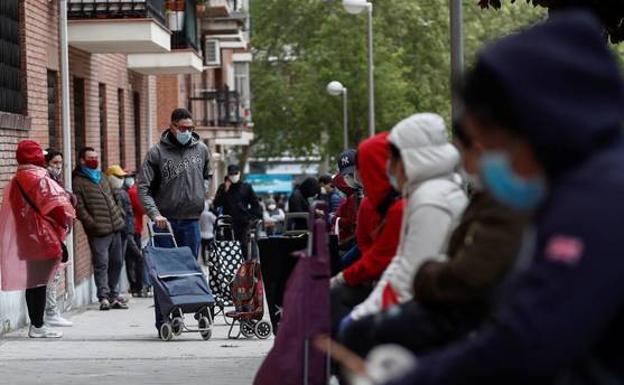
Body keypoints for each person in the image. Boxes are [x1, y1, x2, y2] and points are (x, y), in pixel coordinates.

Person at [371, 10, 624, 385]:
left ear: (535, 126)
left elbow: (531, 340)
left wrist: (418, 378)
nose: (488, 158)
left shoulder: (596, 199)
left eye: (492, 142)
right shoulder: (584, 186)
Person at [341, 120, 528, 359]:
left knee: (357, 332)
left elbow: (414, 272)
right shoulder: (435, 195)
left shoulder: (431, 199)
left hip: (453, 310)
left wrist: (363, 315)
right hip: (450, 304)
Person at [340, 113, 468, 333]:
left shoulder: (430, 200)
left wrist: (362, 318)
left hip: (437, 310)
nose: (389, 168)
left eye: (393, 160)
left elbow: (408, 274)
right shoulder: (424, 196)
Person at [138, 107, 212, 334]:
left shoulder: (201, 150)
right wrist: (155, 214)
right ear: (172, 126)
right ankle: (165, 319)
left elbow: (207, 175)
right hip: (165, 223)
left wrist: (201, 192)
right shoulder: (156, 153)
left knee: (191, 269)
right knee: (165, 273)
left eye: (190, 128)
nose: (187, 132)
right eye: (182, 128)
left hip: (191, 221)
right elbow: (143, 188)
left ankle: (198, 311)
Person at [330, 132, 404, 337]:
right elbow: (368, 250)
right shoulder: (369, 204)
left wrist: (344, 276)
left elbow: (384, 259)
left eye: (360, 170)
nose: (357, 177)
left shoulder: (402, 206)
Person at [0, 140, 75, 338]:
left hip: (25, 238)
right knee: (41, 282)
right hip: (43, 236)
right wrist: (64, 223)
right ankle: (39, 326)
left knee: (31, 282)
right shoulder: (39, 177)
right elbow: (58, 205)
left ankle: (36, 324)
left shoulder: (16, 180)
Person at [73, 147, 126, 311]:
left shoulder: (101, 176)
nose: (94, 160)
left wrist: (120, 214)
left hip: (115, 227)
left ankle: (114, 295)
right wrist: (92, 224)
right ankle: (103, 296)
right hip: (98, 231)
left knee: (116, 262)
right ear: (82, 160)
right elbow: (80, 208)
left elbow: (113, 196)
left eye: (96, 157)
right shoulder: (78, 181)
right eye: (90, 157)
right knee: (101, 263)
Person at [41, 148, 74, 328]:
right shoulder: (45, 181)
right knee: (49, 276)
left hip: (58, 232)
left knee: (54, 275)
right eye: (55, 163)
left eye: (60, 163)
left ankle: (52, 311)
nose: (58, 167)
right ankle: (51, 312)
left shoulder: (55, 181)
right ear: (46, 163)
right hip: (49, 234)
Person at [213, 164, 262, 259]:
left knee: (244, 246)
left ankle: (244, 267)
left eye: (235, 173)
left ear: (239, 173)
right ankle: (231, 268)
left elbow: (256, 204)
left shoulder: (246, 187)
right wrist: (225, 190)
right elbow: (216, 204)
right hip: (228, 223)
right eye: (231, 174)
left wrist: (250, 217)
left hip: (243, 223)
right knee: (229, 248)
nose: (233, 175)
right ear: (228, 175)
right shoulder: (223, 188)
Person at [126, 172, 146, 296]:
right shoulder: (133, 192)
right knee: (137, 258)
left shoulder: (132, 191)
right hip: (134, 229)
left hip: (134, 228)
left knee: (131, 259)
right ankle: (137, 286)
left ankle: (135, 286)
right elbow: (142, 208)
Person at [199, 198, 217, 265]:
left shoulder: (200, 214)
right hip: (209, 235)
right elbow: (216, 221)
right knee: (210, 249)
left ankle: (204, 261)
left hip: (202, 234)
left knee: (203, 249)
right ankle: (209, 260)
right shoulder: (209, 214)